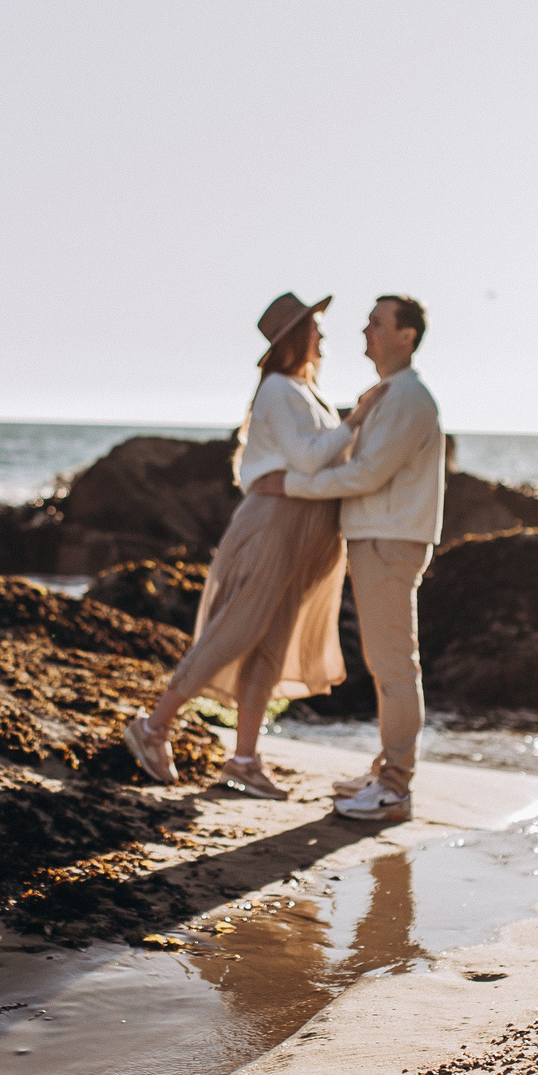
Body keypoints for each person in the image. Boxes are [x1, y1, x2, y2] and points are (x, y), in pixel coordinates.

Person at [122, 293, 382, 798]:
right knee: (236, 629)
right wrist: (356, 420)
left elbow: (316, 460)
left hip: (304, 529)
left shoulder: (307, 392)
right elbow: (309, 459)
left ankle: (243, 759)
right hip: (275, 523)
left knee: (271, 641)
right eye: (315, 328)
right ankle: (153, 726)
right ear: (296, 337)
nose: (323, 337)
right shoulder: (278, 391)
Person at [248, 294, 440, 822]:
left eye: (376, 323)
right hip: (378, 537)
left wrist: (287, 485)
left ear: (407, 335)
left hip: (388, 541)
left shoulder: (407, 398)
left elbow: (366, 475)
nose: (364, 331)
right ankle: (387, 770)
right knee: (385, 663)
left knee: (395, 665)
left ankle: (395, 787)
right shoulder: (389, 395)